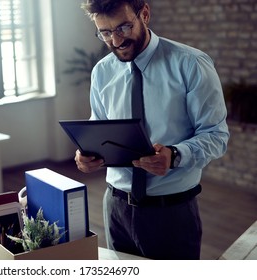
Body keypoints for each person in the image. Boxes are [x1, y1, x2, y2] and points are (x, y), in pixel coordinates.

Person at [75, 0, 229, 260]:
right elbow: (98, 126)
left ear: (144, 14)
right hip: (116, 208)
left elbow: (217, 135)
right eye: (105, 32)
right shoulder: (102, 72)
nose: (115, 41)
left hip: (171, 212)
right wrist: (87, 154)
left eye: (123, 27)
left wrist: (175, 155)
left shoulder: (191, 64)